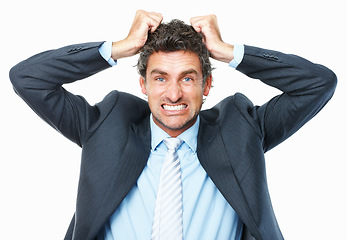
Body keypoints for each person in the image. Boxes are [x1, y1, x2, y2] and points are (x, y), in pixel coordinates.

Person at [9, 9, 336, 240]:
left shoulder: (241, 130)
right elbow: (28, 78)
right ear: (144, 85)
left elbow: (317, 84)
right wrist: (120, 47)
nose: (174, 93)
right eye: (160, 77)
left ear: (207, 86)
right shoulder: (105, 126)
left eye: (188, 78)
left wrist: (228, 52)